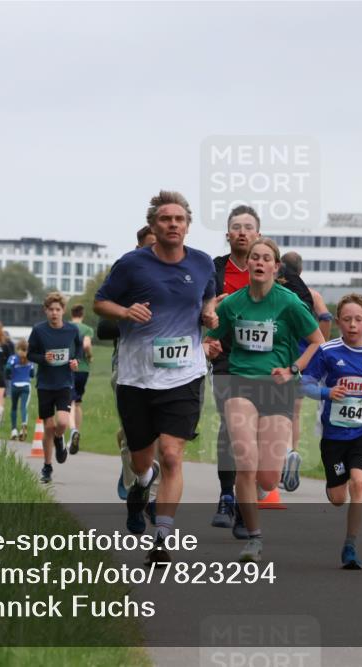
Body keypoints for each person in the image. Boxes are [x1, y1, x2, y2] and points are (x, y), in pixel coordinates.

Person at [95, 190, 217, 565]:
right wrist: (125, 311)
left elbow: (209, 296)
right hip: (137, 375)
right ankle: (142, 485)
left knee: (172, 454)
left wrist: (210, 314)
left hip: (185, 375)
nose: (173, 225)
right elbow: (101, 302)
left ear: (187, 225)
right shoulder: (131, 264)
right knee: (142, 459)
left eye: (179, 219)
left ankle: (162, 536)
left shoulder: (202, 263)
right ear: (153, 224)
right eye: (166, 219)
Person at [204, 237, 324, 563]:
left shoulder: (288, 303)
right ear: (250, 265)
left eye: (265, 258)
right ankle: (254, 537)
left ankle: (274, 473)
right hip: (240, 385)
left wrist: (293, 369)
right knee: (245, 461)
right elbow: (211, 339)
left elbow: (317, 340)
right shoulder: (232, 303)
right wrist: (210, 346)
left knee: (266, 478)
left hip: (276, 389)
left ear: (275, 266)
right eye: (254, 257)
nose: (258, 262)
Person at [302, 294, 362, 569]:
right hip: (333, 435)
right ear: (339, 321)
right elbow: (304, 384)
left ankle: (351, 545)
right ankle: (332, 488)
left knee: (360, 483)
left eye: (358, 319)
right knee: (339, 498)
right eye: (346, 320)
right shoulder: (327, 352)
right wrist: (327, 392)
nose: (352, 325)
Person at [98, 225, 159, 501]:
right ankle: (133, 479)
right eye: (150, 247)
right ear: (138, 249)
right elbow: (103, 328)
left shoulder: (180, 276)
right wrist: (129, 317)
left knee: (161, 432)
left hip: (166, 363)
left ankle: (152, 496)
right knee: (133, 430)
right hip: (127, 361)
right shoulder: (126, 275)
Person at [207, 205, 257, 530]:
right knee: (231, 425)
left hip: (262, 360)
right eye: (236, 227)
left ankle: (246, 498)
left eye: (248, 227)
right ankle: (228, 496)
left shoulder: (269, 267)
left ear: (258, 235)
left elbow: (297, 309)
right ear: (228, 234)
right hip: (225, 356)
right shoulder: (213, 269)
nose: (241, 232)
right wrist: (214, 308)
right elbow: (200, 307)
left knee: (255, 433)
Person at [280, 250, 334, 492]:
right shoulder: (311, 294)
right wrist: (323, 340)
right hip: (304, 355)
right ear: (301, 271)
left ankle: (277, 456)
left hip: (281, 352)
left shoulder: (278, 292)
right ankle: (291, 452)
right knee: (294, 412)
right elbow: (325, 315)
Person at [28, 291, 82, 483]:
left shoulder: (72, 330)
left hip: (64, 383)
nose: (54, 313)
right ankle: (47, 466)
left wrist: (75, 361)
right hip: (44, 384)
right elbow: (30, 354)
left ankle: (60, 439)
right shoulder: (38, 330)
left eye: (57, 309)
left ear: (63, 311)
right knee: (48, 427)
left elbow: (79, 350)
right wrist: (43, 358)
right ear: (46, 311)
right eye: (50, 309)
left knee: (61, 423)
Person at [69, 304, 95, 454]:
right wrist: (90, 356)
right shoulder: (87, 329)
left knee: (69, 401)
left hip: (69, 367)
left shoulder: (66, 326)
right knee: (78, 402)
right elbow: (86, 345)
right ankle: (77, 431)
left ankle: (72, 431)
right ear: (82, 314)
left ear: (71, 314)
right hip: (83, 368)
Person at [6, 339, 36, 440]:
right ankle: (23, 426)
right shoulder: (30, 359)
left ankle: (13, 430)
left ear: (17, 348)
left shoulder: (13, 358)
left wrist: (9, 376)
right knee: (23, 407)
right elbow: (32, 373)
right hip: (25, 386)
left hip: (14, 385)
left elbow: (7, 368)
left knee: (14, 407)